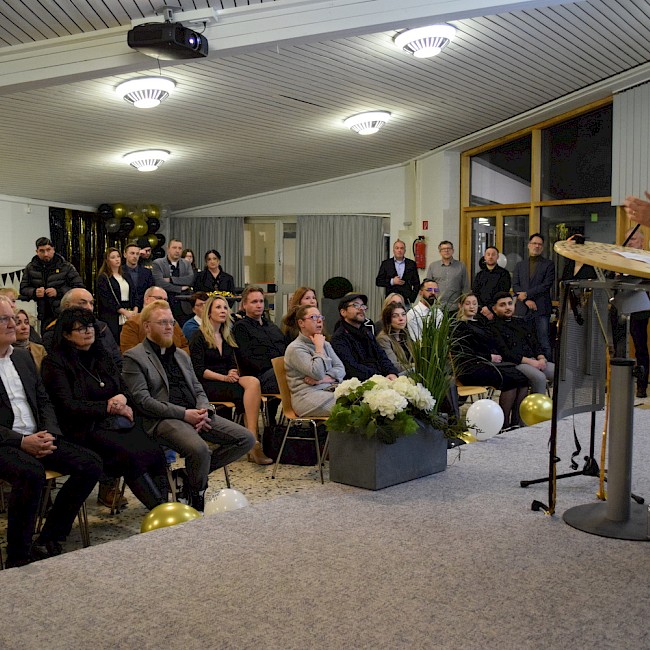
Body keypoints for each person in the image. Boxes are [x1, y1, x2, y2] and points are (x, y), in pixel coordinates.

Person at [123, 300, 255, 511]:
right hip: (163, 419)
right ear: (147, 326)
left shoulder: (181, 355)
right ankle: (197, 494)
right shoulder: (134, 357)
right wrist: (185, 414)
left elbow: (197, 387)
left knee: (246, 439)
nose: (169, 327)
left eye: (171, 322)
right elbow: (144, 401)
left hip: (196, 413)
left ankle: (186, 476)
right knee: (200, 450)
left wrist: (204, 410)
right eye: (162, 322)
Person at [0, 296, 102, 567]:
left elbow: (43, 400)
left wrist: (49, 433)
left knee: (90, 464)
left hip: (38, 436)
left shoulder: (22, 358)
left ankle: (49, 536)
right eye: (4, 319)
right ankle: (18, 556)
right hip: (5, 442)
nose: (12, 324)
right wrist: (22, 441)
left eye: (13, 318)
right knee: (30, 473)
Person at [41, 307, 169, 511]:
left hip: (114, 423)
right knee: (130, 456)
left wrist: (122, 398)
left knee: (154, 451)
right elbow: (67, 405)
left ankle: (167, 506)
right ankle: (159, 509)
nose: (88, 331)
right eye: (80, 328)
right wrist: (109, 407)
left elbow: (124, 388)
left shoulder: (102, 355)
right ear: (66, 334)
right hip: (83, 428)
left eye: (90, 326)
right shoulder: (55, 362)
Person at [189, 294, 271, 465]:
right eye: (218, 307)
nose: (223, 311)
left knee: (253, 383)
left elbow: (231, 363)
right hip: (208, 383)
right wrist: (224, 377)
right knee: (246, 394)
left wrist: (232, 372)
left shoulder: (226, 335)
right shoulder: (199, 336)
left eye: (225, 308)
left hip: (226, 380)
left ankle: (253, 438)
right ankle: (252, 443)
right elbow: (199, 370)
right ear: (209, 312)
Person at [453, 293, 528, 429]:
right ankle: (504, 424)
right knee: (510, 381)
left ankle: (516, 422)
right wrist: (489, 356)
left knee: (522, 378)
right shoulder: (459, 326)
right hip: (470, 367)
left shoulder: (481, 323)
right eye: (468, 303)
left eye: (475, 303)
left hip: (486, 363)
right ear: (460, 306)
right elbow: (464, 352)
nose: (472, 307)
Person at [284, 305, 345, 416]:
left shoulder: (325, 344)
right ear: (301, 323)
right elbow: (317, 373)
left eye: (320, 317)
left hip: (328, 389)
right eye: (313, 317)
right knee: (349, 407)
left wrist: (322, 380)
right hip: (306, 396)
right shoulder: (295, 348)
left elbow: (341, 369)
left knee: (361, 399)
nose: (319, 320)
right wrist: (319, 349)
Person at [41, 288, 122, 371]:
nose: (89, 308)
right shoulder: (53, 333)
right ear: (67, 306)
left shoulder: (102, 327)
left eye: (91, 303)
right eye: (83, 303)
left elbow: (117, 360)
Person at [491, 292, 554, 395]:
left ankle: (560, 405)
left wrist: (541, 358)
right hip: (516, 363)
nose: (507, 307)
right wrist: (531, 362)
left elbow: (535, 343)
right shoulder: (493, 327)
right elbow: (506, 353)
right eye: (502, 305)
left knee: (565, 375)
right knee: (539, 378)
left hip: (535, 360)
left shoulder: (521, 322)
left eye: (510, 303)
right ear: (494, 309)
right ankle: (534, 406)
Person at [19, 237, 85, 328]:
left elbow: (79, 287)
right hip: (44, 314)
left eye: (48, 250)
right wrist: (34, 292)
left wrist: (58, 292)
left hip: (65, 312)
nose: (46, 254)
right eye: (42, 251)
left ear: (53, 250)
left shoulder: (66, 267)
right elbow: (23, 289)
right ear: (37, 252)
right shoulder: (30, 268)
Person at [330, 293, 398, 381]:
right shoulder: (339, 337)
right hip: (359, 383)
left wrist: (391, 372)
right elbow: (351, 368)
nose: (361, 309)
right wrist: (380, 376)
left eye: (363, 305)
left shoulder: (366, 332)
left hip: (380, 379)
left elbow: (382, 356)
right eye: (356, 305)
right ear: (343, 312)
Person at [233, 286, 286, 394]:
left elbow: (286, 347)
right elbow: (247, 360)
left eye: (261, 301)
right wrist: (278, 365)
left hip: (282, 369)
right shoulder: (241, 328)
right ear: (244, 305)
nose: (259, 305)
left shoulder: (271, 326)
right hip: (260, 376)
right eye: (254, 302)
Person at [512, 233, 555, 359]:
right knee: (523, 340)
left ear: (543, 247)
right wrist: (526, 300)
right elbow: (515, 285)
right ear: (529, 245)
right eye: (534, 243)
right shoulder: (520, 265)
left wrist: (527, 294)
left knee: (543, 342)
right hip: (522, 309)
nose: (537, 246)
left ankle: (548, 368)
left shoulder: (549, 264)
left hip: (541, 309)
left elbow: (546, 285)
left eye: (540, 244)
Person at [120, 286, 189, 355]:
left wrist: (177, 359)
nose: (163, 302)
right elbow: (130, 353)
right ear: (147, 299)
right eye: (159, 298)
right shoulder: (132, 323)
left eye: (165, 299)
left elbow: (184, 346)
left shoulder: (173, 323)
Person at [623, 226, 650, 398]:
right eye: (627, 240)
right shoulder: (620, 259)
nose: (629, 243)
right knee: (619, 347)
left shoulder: (647, 258)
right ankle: (618, 383)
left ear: (642, 242)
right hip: (622, 306)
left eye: (633, 239)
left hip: (641, 306)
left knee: (640, 347)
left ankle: (641, 386)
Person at [96, 247, 138, 343]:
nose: (117, 259)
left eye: (118, 256)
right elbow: (107, 299)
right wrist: (124, 312)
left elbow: (134, 293)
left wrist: (135, 309)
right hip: (113, 315)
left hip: (129, 312)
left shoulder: (126, 275)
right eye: (113, 257)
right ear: (107, 260)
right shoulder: (104, 277)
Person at [151, 239, 194, 326]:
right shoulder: (158, 263)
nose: (177, 251)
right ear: (168, 249)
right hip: (166, 303)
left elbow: (190, 279)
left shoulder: (186, 263)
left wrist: (171, 280)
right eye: (174, 248)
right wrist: (180, 288)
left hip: (183, 307)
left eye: (180, 248)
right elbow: (160, 283)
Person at [471, 246, 511, 321]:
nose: (490, 257)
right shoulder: (480, 274)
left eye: (493, 254)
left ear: (497, 257)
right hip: (481, 311)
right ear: (485, 257)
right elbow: (475, 292)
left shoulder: (504, 274)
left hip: (497, 311)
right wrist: (483, 308)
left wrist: (490, 308)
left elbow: (504, 293)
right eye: (488, 254)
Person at [426, 241, 470, 309]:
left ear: (453, 251)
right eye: (443, 249)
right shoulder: (433, 266)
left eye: (449, 248)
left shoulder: (461, 266)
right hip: (437, 306)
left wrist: (463, 303)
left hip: (455, 306)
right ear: (440, 252)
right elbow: (428, 286)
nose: (446, 251)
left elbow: (465, 287)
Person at [375, 239, 420, 305]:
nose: (399, 250)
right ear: (393, 250)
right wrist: (392, 281)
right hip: (391, 300)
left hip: (406, 301)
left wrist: (412, 298)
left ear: (405, 250)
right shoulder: (386, 264)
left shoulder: (411, 264)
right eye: (397, 248)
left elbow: (417, 283)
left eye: (402, 248)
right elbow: (378, 281)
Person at [376, 302, 414, 375]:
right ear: (388, 319)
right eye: (395, 316)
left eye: (403, 314)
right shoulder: (383, 339)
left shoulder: (405, 335)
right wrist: (418, 365)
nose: (401, 319)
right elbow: (395, 367)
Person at [122, 242, 154, 311]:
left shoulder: (147, 272)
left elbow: (150, 291)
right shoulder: (119, 272)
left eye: (137, 254)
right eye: (132, 253)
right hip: (124, 308)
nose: (135, 256)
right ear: (125, 254)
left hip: (143, 308)